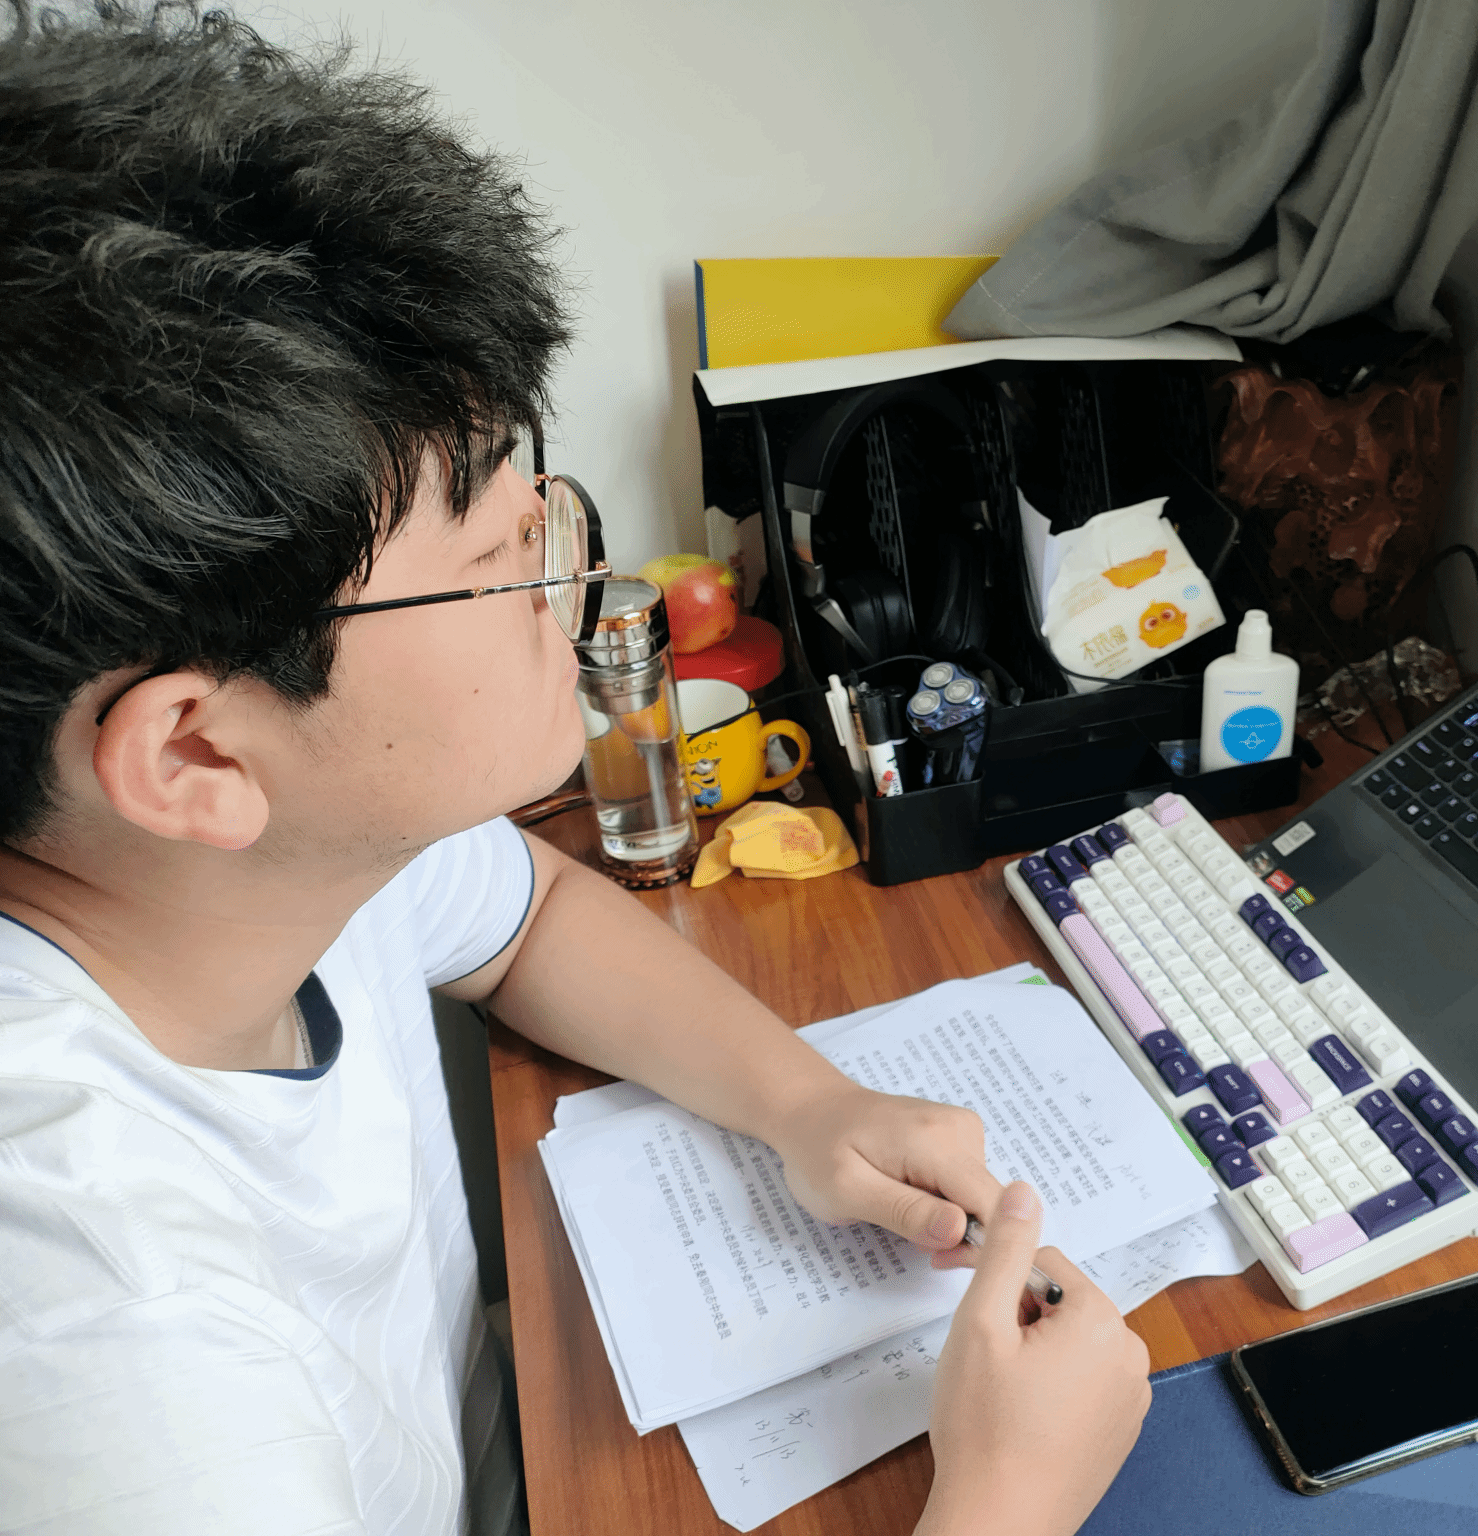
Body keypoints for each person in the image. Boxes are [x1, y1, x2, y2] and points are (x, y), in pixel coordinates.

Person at [0, 7, 1150, 1534]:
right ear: (196, 751)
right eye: (498, 553)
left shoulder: (258, 866)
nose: (576, 574)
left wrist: (806, 1106)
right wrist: (1008, 1497)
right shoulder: (117, 1373)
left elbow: (522, 916)